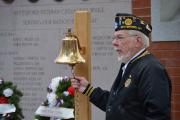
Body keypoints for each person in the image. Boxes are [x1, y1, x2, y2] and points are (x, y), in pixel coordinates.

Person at [71, 13, 172, 120]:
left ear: (137, 41)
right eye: (114, 38)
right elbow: (117, 106)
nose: (114, 42)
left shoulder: (151, 69)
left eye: (120, 37)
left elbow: (157, 116)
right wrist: (88, 89)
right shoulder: (130, 63)